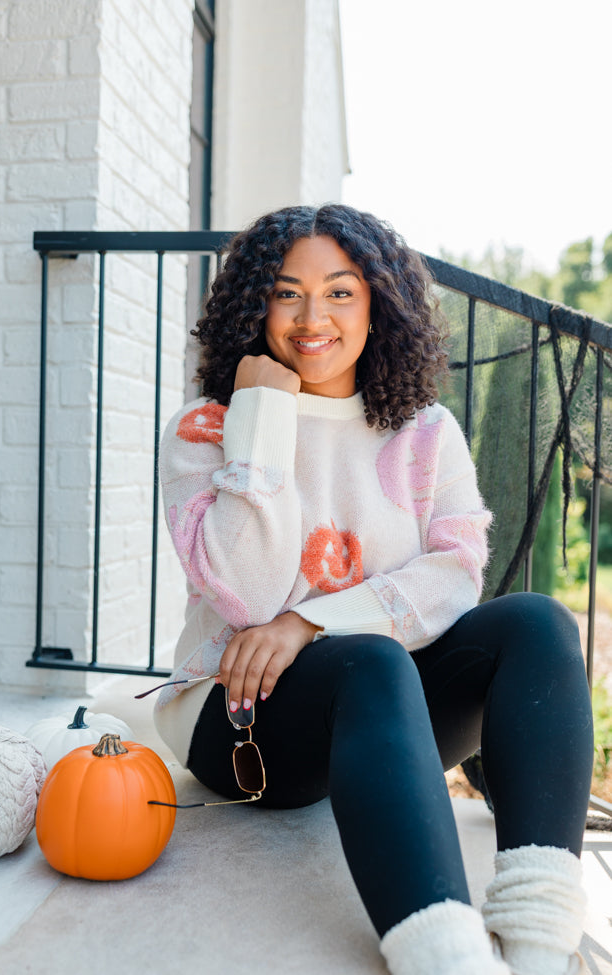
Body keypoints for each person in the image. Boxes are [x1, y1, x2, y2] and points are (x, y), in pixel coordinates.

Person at [152, 204, 593, 975]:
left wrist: (309, 621)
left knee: (539, 623)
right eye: (286, 292)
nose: (311, 316)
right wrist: (262, 415)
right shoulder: (207, 427)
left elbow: (455, 574)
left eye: (340, 292)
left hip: (379, 705)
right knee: (374, 661)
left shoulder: (424, 433)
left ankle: (540, 944)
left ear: (377, 302)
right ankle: (449, 959)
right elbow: (246, 600)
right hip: (240, 717)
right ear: (255, 302)